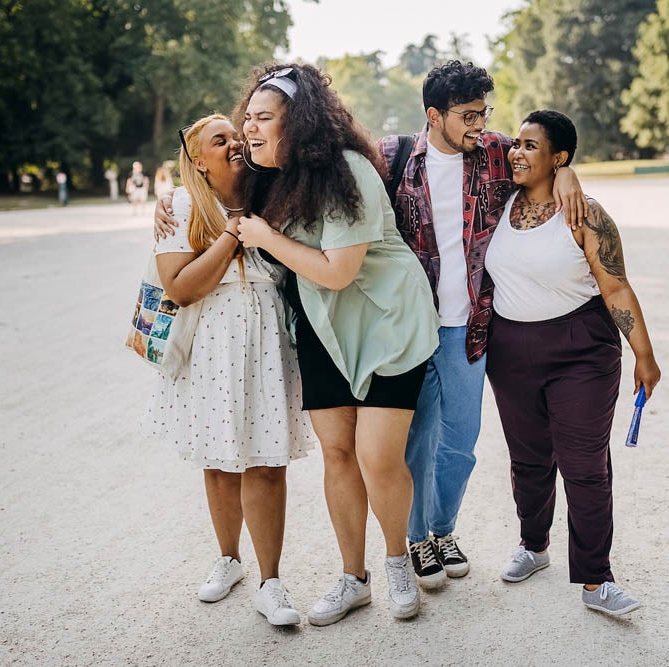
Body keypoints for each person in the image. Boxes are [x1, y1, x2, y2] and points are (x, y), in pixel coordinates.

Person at [234, 63, 440, 626]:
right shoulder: (265, 174)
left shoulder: (347, 169)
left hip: (386, 320)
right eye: (247, 117)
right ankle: (355, 578)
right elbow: (199, 172)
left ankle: (398, 562)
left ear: (297, 123)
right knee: (337, 452)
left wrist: (266, 236)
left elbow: (338, 272)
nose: (250, 129)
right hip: (322, 327)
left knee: (377, 454)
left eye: (264, 118)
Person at [376, 61, 591, 589]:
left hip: (469, 326)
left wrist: (566, 170)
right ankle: (418, 538)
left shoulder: (495, 152)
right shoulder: (392, 157)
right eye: (468, 115)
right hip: (409, 324)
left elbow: (541, 158)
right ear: (434, 115)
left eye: (484, 112)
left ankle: (442, 528)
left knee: (461, 439)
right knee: (417, 438)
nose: (481, 124)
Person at [483, 109, 661, 615]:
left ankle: (595, 579)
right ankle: (533, 546)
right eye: (515, 143)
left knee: (584, 464)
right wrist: (557, 169)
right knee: (529, 459)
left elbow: (616, 286)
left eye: (531, 146)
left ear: (558, 158)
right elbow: (469, 143)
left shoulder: (586, 214)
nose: (516, 152)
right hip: (511, 349)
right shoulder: (496, 199)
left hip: (580, 348)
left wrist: (644, 356)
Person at [142, 113, 315, 626]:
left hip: (268, 339)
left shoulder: (274, 190)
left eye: (237, 136)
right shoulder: (183, 203)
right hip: (211, 342)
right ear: (198, 158)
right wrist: (232, 235)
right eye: (221, 140)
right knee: (219, 460)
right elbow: (179, 287)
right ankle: (228, 559)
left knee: (266, 461)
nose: (235, 144)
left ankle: (272, 582)